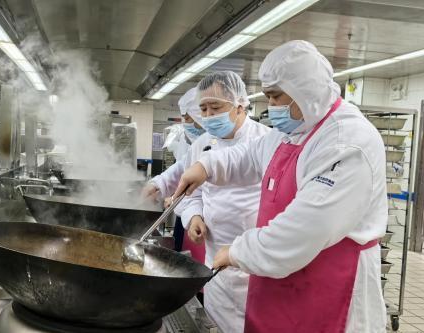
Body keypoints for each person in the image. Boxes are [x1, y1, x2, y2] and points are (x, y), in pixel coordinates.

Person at [174, 41, 387, 333]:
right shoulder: (295, 131)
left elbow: (307, 227)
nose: (271, 107)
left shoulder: (345, 141)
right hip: (285, 281)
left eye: (276, 97)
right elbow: (247, 156)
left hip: (332, 287)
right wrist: (207, 167)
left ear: (305, 92)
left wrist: (237, 251)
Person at [174, 71, 270, 333]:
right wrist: (193, 216)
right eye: (203, 109)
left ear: (240, 105)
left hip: (254, 259)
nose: (208, 115)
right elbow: (191, 195)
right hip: (215, 259)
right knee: (215, 324)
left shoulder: (265, 140)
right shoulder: (203, 144)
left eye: (215, 107)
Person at [143, 88, 206, 256]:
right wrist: (158, 184)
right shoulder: (198, 141)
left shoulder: (251, 141)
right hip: (193, 221)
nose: (185, 123)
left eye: (187, 118)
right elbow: (183, 167)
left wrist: (174, 197)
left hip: (218, 230)